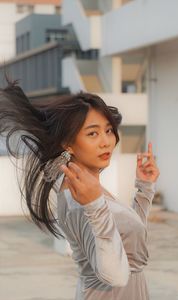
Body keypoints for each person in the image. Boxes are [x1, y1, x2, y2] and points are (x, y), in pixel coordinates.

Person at [0, 80, 160, 300]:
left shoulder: (87, 189)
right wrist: (95, 206)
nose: (106, 142)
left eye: (108, 130)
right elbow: (116, 276)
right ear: (68, 143)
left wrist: (145, 188)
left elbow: (129, 244)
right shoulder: (81, 201)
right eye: (92, 134)